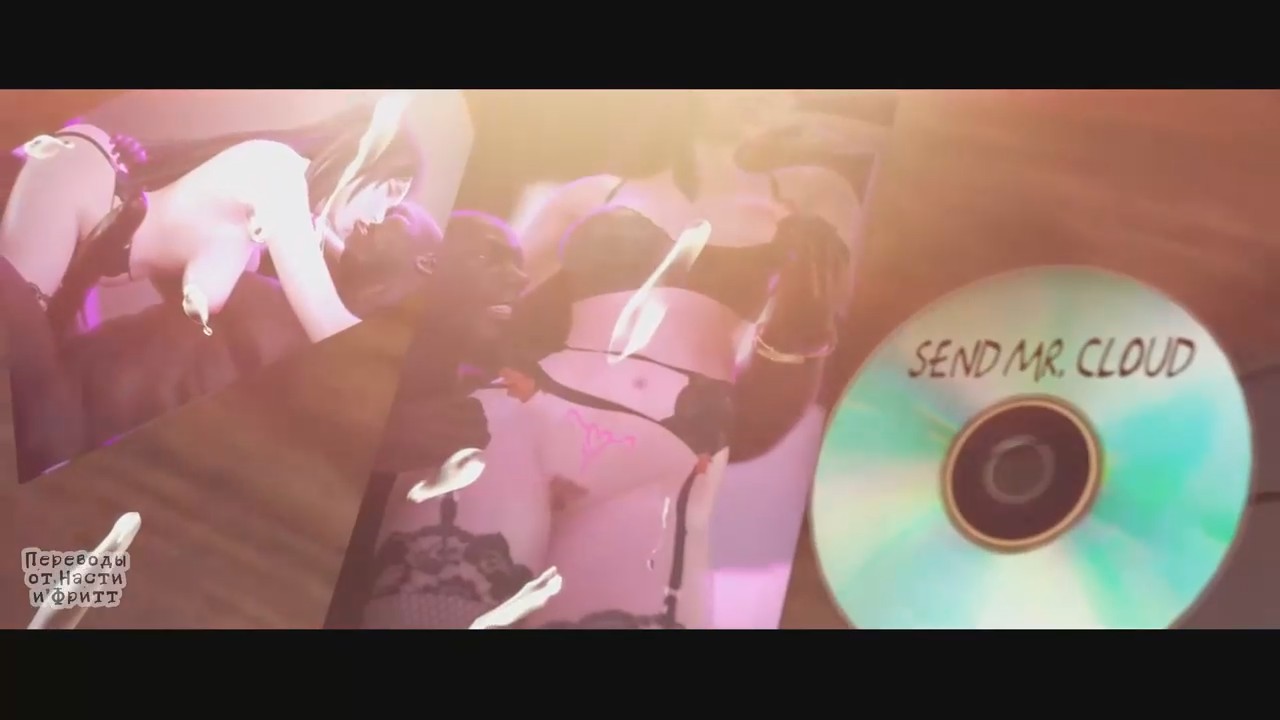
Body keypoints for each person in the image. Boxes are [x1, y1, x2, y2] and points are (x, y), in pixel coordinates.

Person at [361, 91, 860, 629]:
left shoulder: (815, 196)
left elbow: (799, 372)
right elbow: (475, 305)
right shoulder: (591, 194)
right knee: (427, 615)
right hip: (521, 421)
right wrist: (398, 401)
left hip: (662, 466)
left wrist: (838, 133)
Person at [0, 97, 417, 480]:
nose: (378, 218)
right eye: (391, 195)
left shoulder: (279, 228)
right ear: (372, 160)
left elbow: (328, 261)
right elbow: (330, 325)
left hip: (90, 233)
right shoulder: (280, 176)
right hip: (72, 184)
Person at [61, 201, 445, 450]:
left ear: (428, 263)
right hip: (71, 376)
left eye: (394, 218)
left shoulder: (349, 376)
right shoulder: (270, 284)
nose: (366, 220)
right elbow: (158, 261)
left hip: (78, 434)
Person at [324, 210, 528, 628]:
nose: (520, 278)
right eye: (488, 258)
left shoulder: (474, 396)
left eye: (518, 264)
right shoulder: (349, 353)